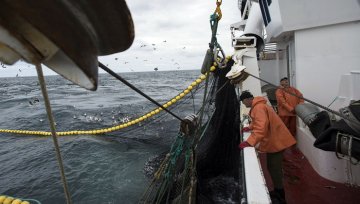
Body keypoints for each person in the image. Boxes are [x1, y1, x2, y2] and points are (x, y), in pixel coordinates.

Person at [238, 91, 296, 204]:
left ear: (247, 99)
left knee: (274, 168)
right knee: (272, 166)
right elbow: (258, 122)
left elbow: (261, 128)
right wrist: (249, 127)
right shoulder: (259, 105)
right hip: (276, 140)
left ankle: (281, 197)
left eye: (244, 102)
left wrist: (249, 142)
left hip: (277, 141)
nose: (244, 105)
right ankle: (277, 190)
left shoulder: (258, 108)